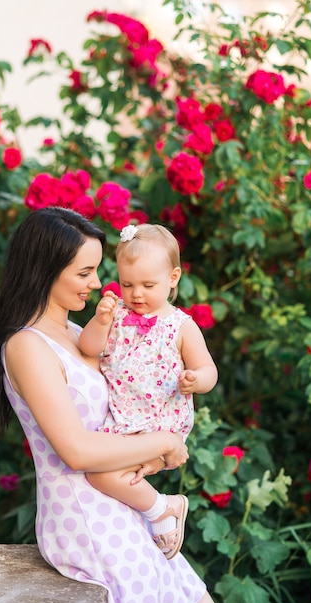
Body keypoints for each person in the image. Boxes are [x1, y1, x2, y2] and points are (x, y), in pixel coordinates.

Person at [0, 207, 230, 603]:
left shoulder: (79, 335)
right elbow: (76, 451)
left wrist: (159, 443)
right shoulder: (28, 346)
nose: (98, 283)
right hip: (89, 521)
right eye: (85, 272)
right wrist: (167, 443)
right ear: (46, 269)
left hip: (123, 509)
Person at [79, 223, 218, 560]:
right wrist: (99, 321)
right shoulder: (118, 317)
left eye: (148, 285)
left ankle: (159, 511)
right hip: (124, 422)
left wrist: (194, 379)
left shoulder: (181, 325)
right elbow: (87, 347)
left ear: (173, 278)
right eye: (127, 284)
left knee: (105, 474)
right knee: (102, 475)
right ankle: (161, 509)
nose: (136, 294)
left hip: (161, 424)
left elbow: (209, 371)